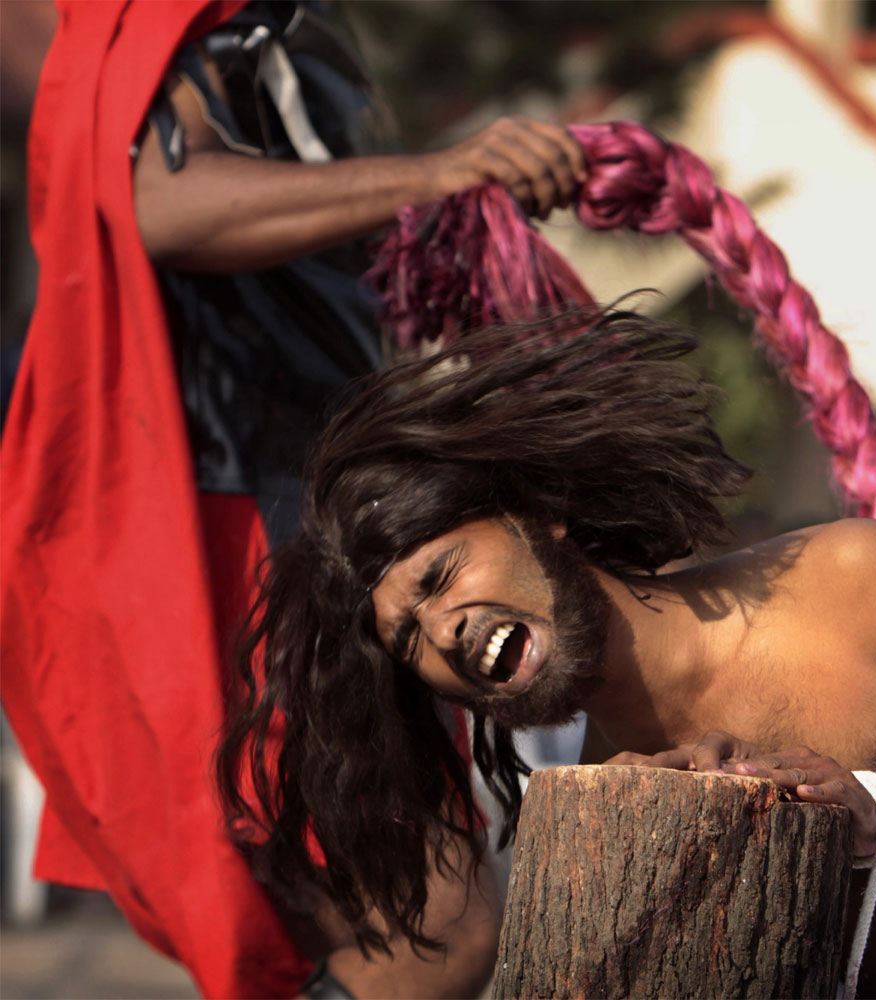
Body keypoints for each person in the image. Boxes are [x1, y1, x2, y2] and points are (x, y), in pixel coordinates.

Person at [217, 311, 876, 999]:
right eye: (409, 638)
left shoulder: (855, 579)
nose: (442, 631)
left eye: (442, 575)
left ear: (539, 517)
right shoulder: (607, 797)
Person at [0, 1, 582, 996]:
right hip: (227, 530)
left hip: (326, 507)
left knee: (418, 923)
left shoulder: (291, 25)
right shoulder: (165, 18)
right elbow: (160, 197)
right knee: (426, 924)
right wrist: (441, 171)